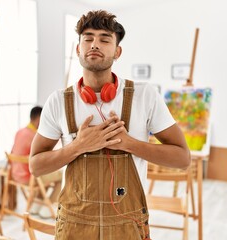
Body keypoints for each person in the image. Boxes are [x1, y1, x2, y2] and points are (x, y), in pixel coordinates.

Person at [29, 10, 190, 239]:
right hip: (75, 227)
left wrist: (129, 143)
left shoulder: (145, 96)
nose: (95, 44)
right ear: (78, 49)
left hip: (128, 225)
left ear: (117, 51)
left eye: (105, 39)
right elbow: (35, 166)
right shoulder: (57, 101)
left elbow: (182, 158)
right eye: (88, 38)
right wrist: (77, 147)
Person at [10, 106, 62, 218]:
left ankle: (35, 206)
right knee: (60, 176)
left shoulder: (19, 132)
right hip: (29, 178)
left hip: (15, 175)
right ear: (39, 119)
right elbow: (46, 159)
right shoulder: (35, 137)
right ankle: (46, 209)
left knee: (46, 178)